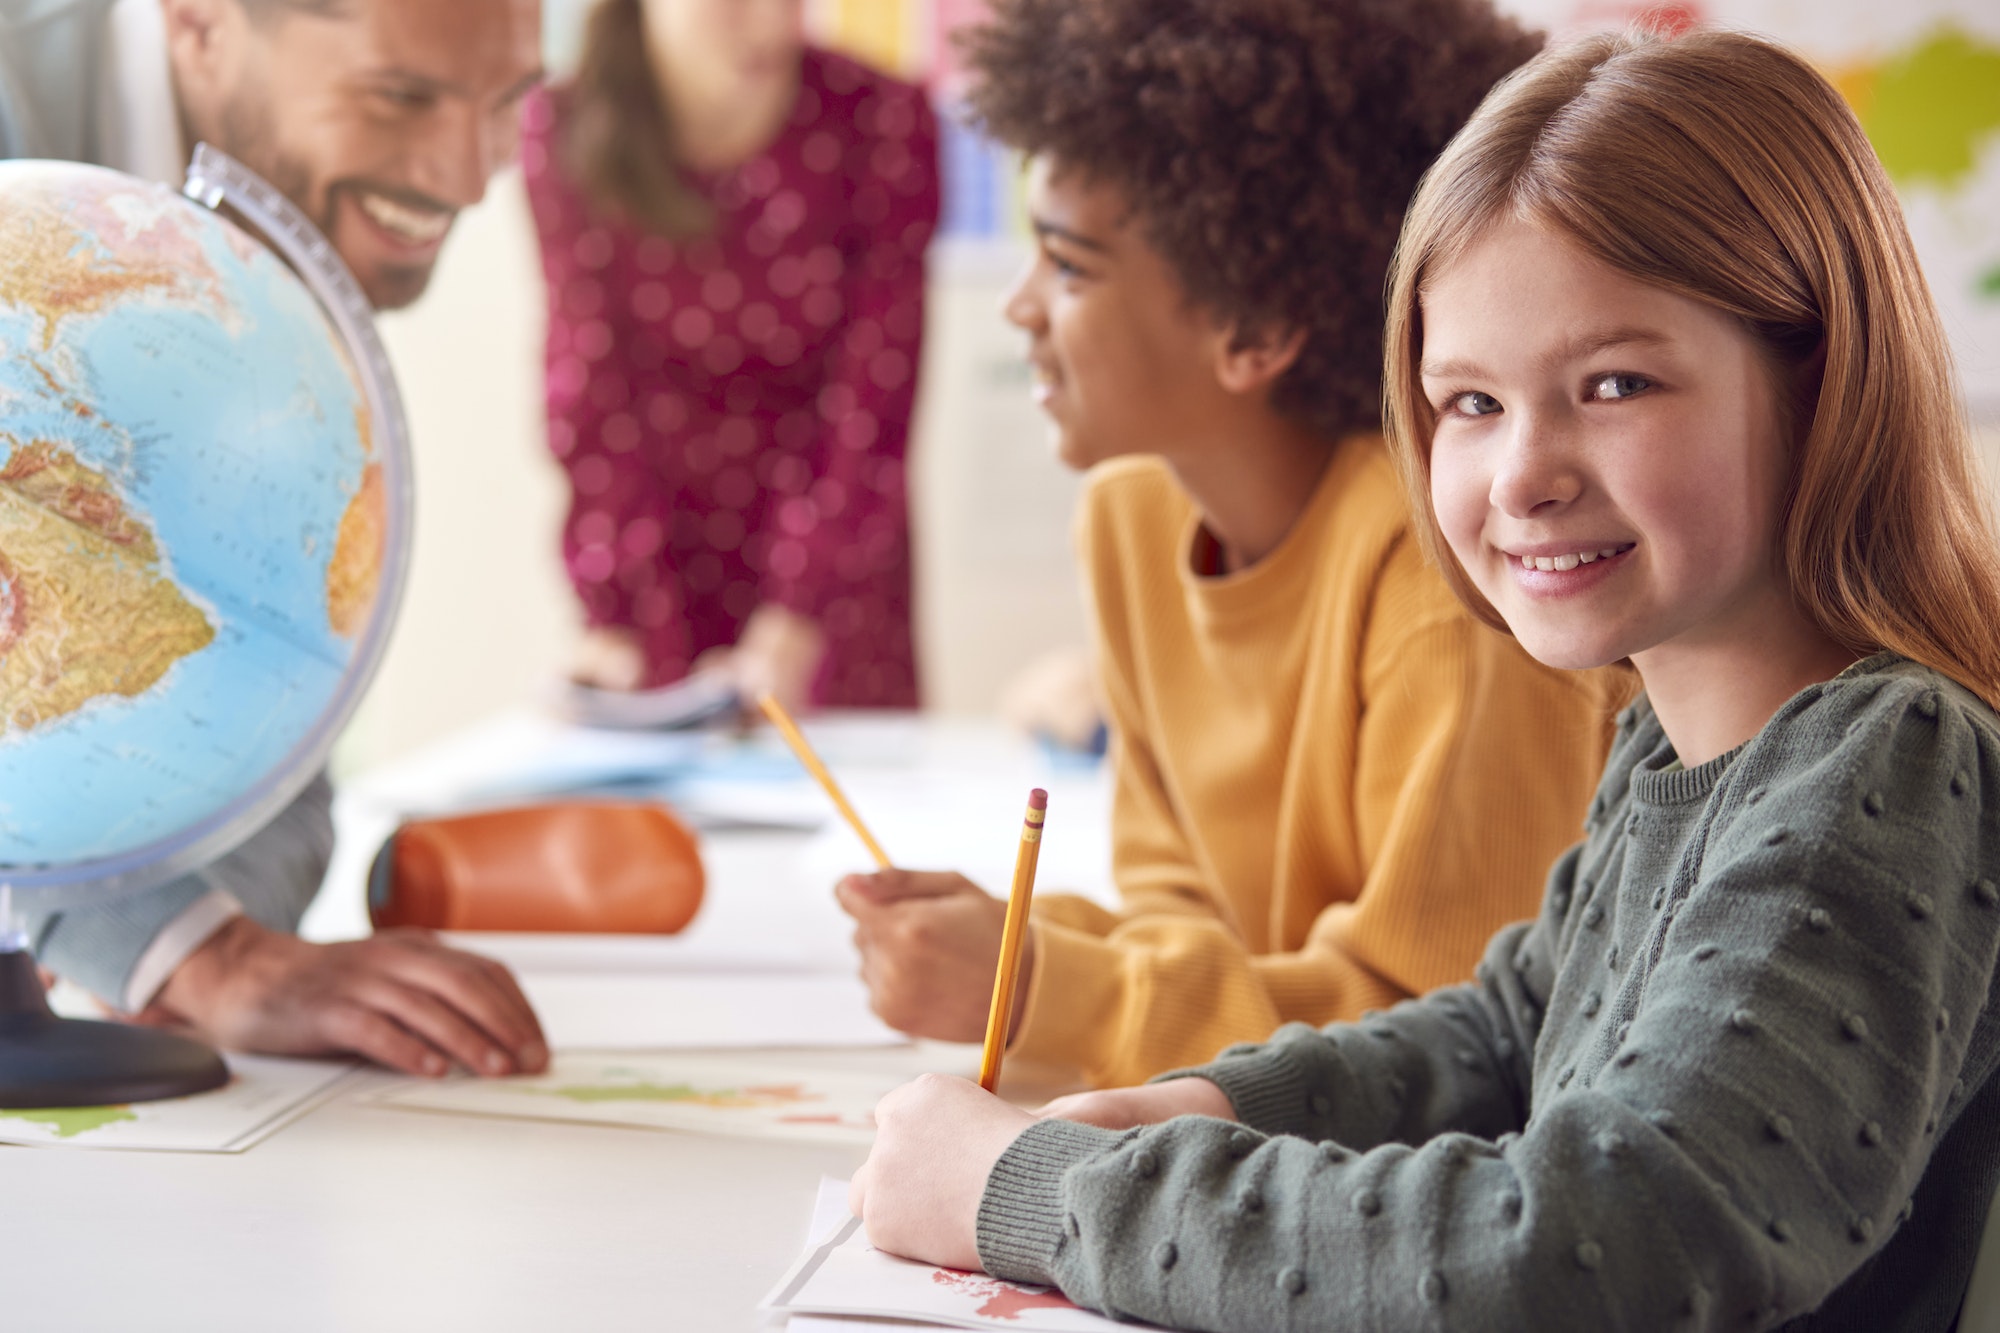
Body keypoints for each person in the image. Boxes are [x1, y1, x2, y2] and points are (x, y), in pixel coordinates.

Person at [847, 27, 2000, 1330]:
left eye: (1613, 384)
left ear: (1821, 378)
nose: (1521, 475)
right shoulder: (1679, 741)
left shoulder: (1890, 764)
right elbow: (1506, 1035)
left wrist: (1041, 1190)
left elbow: (1597, 1242)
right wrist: (1211, 1102)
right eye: (1469, 403)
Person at [834, 0, 1614, 1090]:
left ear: (1252, 329)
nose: (1020, 307)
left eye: (1067, 266)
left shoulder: (1453, 575)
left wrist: (1040, 987)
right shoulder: (1131, 519)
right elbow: (1184, 923)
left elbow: (1438, 1031)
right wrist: (1016, 943)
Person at [0, 0, 551, 1079]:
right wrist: (189, 951)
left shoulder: (273, 223)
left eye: (507, 106)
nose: (468, 175)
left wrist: (227, 960)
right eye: (401, 95)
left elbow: (259, 680)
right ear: (201, 22)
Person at [522, 0, 938, 714]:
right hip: (660, 558)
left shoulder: (881, 120)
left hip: (837, 563)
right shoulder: (564, 127)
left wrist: (798, 616)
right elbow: (588, 387)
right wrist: (616, 616)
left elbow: (872, 402)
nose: (774, 25)